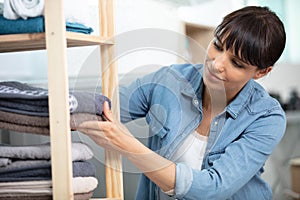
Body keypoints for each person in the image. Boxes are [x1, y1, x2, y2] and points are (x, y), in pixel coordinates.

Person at [77, 6, 286, 200]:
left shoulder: (266, 117)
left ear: (261, 72)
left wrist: (127, 145)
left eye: (236, 63)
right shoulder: (169, 80)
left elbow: (214, 187)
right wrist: (50, 103)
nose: (217, 64)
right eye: (217, 46)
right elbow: (101, 107)